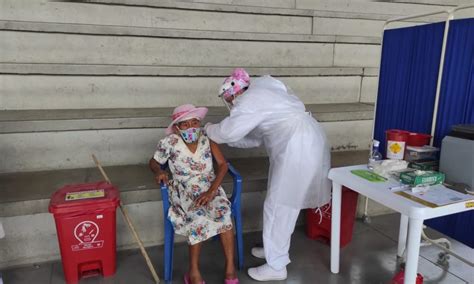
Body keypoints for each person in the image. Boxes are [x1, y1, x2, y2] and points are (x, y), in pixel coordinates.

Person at [205, 68, 331, 281]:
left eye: (230, 98)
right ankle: (275, 249)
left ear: (236, 92)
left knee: (280, 206)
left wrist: (208, 130)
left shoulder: (250, 100)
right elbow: (253, 138)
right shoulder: (264, 89)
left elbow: (229, 132)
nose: (231, 103)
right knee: (282, 204)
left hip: (295, 148)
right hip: (300, 143)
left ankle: (277, 265)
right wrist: (223, 137)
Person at [149, 104, 239, 284]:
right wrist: (158, 171)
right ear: (176, 127)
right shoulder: (169, 142)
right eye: (185, 124)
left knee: (224, 214)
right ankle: (194, 272)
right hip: (183, 189)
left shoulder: (207, 138)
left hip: (209, 187)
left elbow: (223, 165)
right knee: (197, 218)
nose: (191, 127)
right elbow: (153, 162)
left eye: (194, 122)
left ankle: (230, 268)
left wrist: (212, 191)